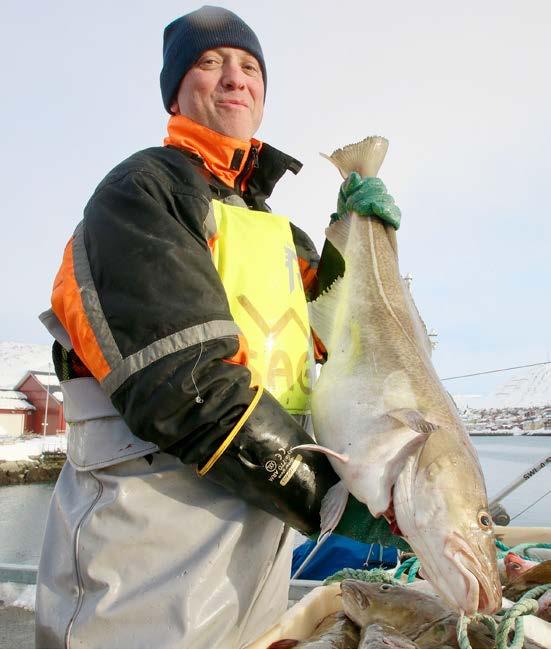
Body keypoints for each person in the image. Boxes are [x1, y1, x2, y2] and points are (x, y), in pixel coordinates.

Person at [35, 6, 404, 649]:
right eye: (209, 63)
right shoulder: (142, 192)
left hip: (260, 532)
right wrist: (332, 501)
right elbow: (185, 385)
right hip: (147, 543)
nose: (235, 76)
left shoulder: (278, 234)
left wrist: (363, 235)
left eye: (250, 66)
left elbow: (349, 340)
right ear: (176, 91)